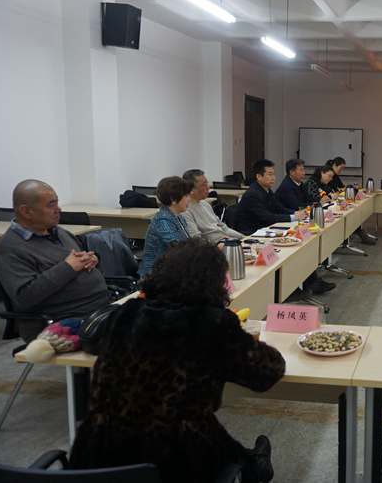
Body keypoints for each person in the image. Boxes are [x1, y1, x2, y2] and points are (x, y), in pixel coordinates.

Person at [69, 239, 285, 483]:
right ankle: (252, 465)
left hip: (98, 454)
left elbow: (96, 343)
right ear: (215, 282)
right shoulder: (212, 323)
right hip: (176, 462)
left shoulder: (127, 313)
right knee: (198, 429)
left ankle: (250, 462)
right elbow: (268, 372)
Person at [0, 180, 109, 340]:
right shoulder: (9, 249)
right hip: (61, 321)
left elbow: (79, 261)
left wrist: (92, 259)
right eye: (51, 205)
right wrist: (68, 267)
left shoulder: (59, 232)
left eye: (57, 203)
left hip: (99, 308)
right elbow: (25, 297)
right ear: (26, 211)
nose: (58, 209)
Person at [234, 160, 334, 294]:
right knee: (292, 250)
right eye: (269, 174)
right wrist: (292, 217)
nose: (273, 178)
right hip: (253, 234)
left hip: (268, 229)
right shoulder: (253, 193)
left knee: (299, 247)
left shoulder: (267, 190)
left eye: (274, 174)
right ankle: (291, 289)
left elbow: (278, 208)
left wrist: (295, 214)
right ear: (259, 176)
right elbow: (267, 217)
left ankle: (308, 283)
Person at [137, 176, 192, 278]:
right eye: (186, 195)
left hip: (172, 269)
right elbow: (179, 248)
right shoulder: (163, 221)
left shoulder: (178, 217)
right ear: (173, 199)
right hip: (155, 275)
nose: (189, 199)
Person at [181, 169, 244, 243]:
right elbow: (196, 239)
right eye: (203, 185)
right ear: (191, 189)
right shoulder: (185, 211)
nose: (208, 187)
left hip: (225, 241)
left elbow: (225, 229)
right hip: (213, 246)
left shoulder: (205, 204)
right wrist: (220, 244)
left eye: (207, 183)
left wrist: (244, 238)